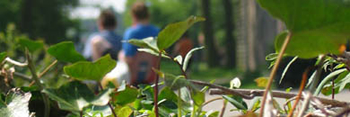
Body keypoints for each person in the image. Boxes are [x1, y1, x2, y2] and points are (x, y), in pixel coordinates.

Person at [122, 2, 160, 86]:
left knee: (120, 54)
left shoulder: (131, 33)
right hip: (151, 77)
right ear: (148, 15)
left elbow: (128, 58)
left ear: (133, 16)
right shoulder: (157, 32)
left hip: (133, 80)